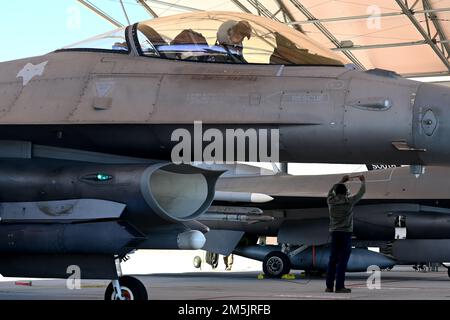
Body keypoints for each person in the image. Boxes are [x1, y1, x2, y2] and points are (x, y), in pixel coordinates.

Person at [325, 174, 366, 293]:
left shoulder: (330, 201)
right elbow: (362, 192)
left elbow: (330, 191)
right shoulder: (349, 201)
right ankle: (339, 287)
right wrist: (363, 181)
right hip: (346, 233)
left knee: (332, 259)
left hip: (334, 233)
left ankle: (329, 286)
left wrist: (341, 181)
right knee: (342, 260)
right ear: (345, 193)